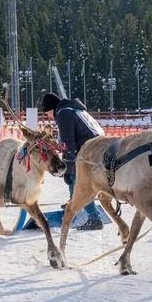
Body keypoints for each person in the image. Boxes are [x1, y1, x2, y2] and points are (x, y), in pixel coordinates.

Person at [41, 92, 105, 230]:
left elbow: (68, 144)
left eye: (48, 113)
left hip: (89, 150)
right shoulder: (74, 109)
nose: (49, 117)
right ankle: (73, 201)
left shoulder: (63, 113)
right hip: (98, 146)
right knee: (76, 180)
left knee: (79, 183)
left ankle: (94, 218)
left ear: (52, 108)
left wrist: (68, 169)